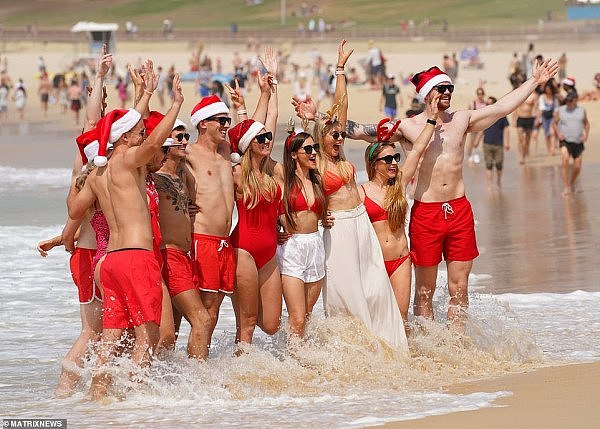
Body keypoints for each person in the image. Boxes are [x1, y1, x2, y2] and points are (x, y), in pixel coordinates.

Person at [319, 59, 558, 329]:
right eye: (441, 87)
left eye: (449, 87)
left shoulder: (462, 119)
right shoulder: (407, 127)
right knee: (424, 290)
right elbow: (356, 131)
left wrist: (535, 81)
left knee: (460, 286)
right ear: (427, 94)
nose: (447, 92)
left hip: (459, 209)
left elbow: (502, 107)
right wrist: (317, 117)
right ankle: (429, 345)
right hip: (426, 212)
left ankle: (456, 345)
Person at [68, 61, 183, 400]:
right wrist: (175, 104)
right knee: (148, 336)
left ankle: (98, 399)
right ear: (125, 140)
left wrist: (79, 174)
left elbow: (74, 210)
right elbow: (150, 147)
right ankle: (137, 400)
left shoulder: (97, 175)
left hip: (110, 264)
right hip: (136, 258)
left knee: (110, 339)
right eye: (138, 134)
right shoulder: (127, 159)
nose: (144, 137)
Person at [293, 40, 409, 349]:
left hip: (361, 224)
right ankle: (352, 350)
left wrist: (340, 67)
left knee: (375, 288)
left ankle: (391, 348)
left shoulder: (341, 153)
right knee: (347, 292)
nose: (340, 138)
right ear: (321, 138)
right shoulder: (315, 159)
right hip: (339, 228)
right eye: (334, 135)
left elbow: (341, 103)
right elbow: (299, 192)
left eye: (342, 134)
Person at [360, 97, 439, 334]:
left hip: (401, 259)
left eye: (395, 158)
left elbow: (418, 150)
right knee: (376, 319)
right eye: (388, 159)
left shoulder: (400, 184)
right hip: (374, 262)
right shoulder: (360, 192)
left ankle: (406, 363)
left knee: (401, 318)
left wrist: (432, 119)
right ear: (374, 164)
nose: (394, 162)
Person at [230, 47, 283, 346]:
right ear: (249, 145)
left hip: (269, 251)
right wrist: (243, 109)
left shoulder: (270, 170)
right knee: (247, 325)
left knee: (272, 325)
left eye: (268, 138)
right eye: (260, 139)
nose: (266, 141)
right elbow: (248, 130)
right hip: (244, 251)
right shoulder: (239, 173)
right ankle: (241, 377)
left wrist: (272, 81)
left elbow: (271, 116)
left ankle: (243, 357)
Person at [152, 120, 213, 358]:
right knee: (202, 319)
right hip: (169, 254)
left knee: (171, 334)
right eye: (179, 137)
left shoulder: (181, 173)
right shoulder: (153, 177)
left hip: (185, 256)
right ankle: (199, 381)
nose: (185, 141)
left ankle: (162, 382)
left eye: (186, 136)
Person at [186, 94, 236, 351]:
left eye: (227, 120)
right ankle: (194, 368)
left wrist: (265, 92)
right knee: (202, 314)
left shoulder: (225, 152)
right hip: (202, 238)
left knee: (213, 312)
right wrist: (181, 204)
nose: (226, 125)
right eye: (221, 120)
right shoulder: (190, 152)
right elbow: (158, 165)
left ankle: (197, 364)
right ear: (203, 123)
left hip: (224, 243)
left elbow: (259, 128)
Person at [277, 127, 328, 338]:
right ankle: (293, 364)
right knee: (296, 318)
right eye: (307, 149)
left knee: (306, 316)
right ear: (293, 154)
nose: (313, 152)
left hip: (315, 245)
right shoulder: (283, 178)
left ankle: (301, 362)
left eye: (314, 147)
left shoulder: (318, 180)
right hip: (292, 247)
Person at [553, 92, 589, 197]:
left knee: (577, 166)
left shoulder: (582, 111)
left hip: (578, 141)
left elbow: (586, 124)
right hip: (565, 140)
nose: (567, 102)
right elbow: (554, 123)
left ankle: (571, 183)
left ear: (575, 100)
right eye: (566, 100)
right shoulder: (561, 110)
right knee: (565, 159)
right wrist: (558, 134)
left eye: (570, 100)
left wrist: (586, 135)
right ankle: (566, 186)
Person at [482, 96, 510, 190]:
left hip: (499, 144)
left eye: (490, 103)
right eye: (487, 104)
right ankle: (489, 185)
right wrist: (477, 141)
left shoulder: (501, 115)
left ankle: (498, 181)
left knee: (499, 164)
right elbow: (481, 129)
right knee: (488, 165)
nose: (488, 105)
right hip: (487, 143)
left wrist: (506, 142)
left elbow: (506, 128)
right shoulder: (484, 115)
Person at [515, 89, 538, 164]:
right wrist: (513, 118)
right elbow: (516, 107)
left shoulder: (534, 96)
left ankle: (524, 154)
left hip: (530, 119)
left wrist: (536, 119)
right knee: (520, 139)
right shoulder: (521, 94)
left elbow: (536, 108)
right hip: (520, 118)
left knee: (528, 140)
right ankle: (521, 156)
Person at [466, 87, 487, 164]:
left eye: (481, 94)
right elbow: (468, 113)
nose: (480, 95)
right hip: (474, 126)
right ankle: (470, 155)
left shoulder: (486, 104)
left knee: (478, 142)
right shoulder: (473, 103)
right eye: (478, 94)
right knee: (471, 141)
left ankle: (476, 154)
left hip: (483, 126)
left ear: (483, 94)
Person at [538, 80, 559, 156]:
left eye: (549, 89)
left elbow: (556, 109)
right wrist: (538, 120)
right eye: (547, 89)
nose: (548, 91)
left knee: (552, 133)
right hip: (544, 118)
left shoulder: (554, 98)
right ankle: (548, 149)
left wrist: (556, 118)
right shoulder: (542, 97)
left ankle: (553, 149)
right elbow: (541, 109)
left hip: (552, 117)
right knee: (547, 135)